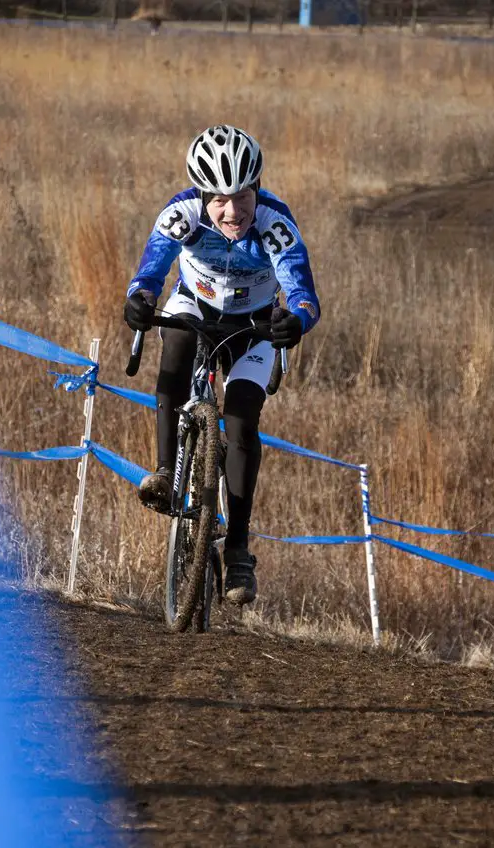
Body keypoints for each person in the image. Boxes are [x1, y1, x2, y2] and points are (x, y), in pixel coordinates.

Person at [124, 124, 320, 605]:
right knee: (173, 348)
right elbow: (151, 269)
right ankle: (167, 474)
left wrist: (295, 322)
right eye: (219, 200)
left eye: (243, 198)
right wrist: (139, 297)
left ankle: (237, 549)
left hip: (254, 326)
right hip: (195, 306)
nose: (232, 211)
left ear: (257, 189)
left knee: (242, 421)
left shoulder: (276, 223)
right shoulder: (182, 213)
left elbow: (303, 295)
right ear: (201, 193)